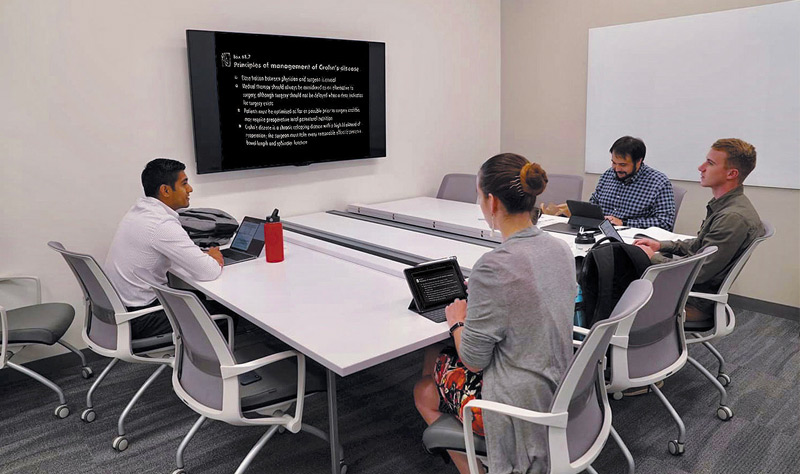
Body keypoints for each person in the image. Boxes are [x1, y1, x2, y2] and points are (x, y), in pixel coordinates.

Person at [413, 154, 576, 474]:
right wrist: (487, 293)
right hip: (560, 384)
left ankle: (472, 469)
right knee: (436, 355)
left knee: (423, 385)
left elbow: (473, 359)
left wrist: (458, 318)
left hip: (513, 404)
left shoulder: (494, 264)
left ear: (491, 201)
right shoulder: (560, 248)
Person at [634, 138, 763, 321]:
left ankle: (601, 343)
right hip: (688, 291)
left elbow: (698, 274)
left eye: (710, 163)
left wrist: (652, 257)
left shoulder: (732, 218)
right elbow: (699, 247)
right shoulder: (726, 206)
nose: (700, 167)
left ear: (731, 173)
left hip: (691, 301)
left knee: (614, 289)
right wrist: (660, 245)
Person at [105, 158, 224, 339]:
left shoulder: (139, 212)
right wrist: (214, 256)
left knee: (197, 297)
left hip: (120, 309)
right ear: (166, 190)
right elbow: (209, 272)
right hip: (141, 317)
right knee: (222, 311)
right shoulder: (160, 224)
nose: (190, 189)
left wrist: (195, 255)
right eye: (184, 183)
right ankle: (214, 365)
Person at [590, 136, 676, 230]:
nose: (617, 169)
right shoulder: (608, 174)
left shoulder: (658, 183)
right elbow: (593, 204)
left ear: (639, 161)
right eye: (614, 163)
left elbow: (665, 222)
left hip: (635, 238)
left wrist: (624, 223)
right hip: (601, 233)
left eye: (623, 165)